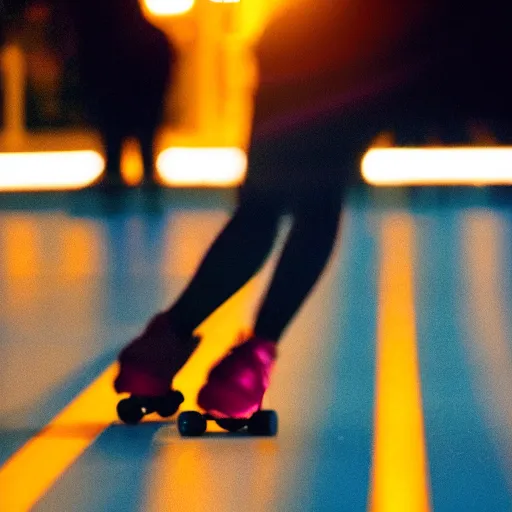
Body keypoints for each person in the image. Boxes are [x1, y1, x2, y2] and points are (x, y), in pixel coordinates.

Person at [114, 0, 512, 419]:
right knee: (318, 200)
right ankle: (246, 369)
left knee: (260, 209)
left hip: (300, 39)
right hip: (381, 46)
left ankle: (158, 350)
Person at [68, 0, 177, 188]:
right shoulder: (153, 39)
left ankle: (126, 183)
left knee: (120, 155)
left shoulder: (103, 46)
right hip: (141, 108)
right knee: (142, 158)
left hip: (127, 106)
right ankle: (145, 189)